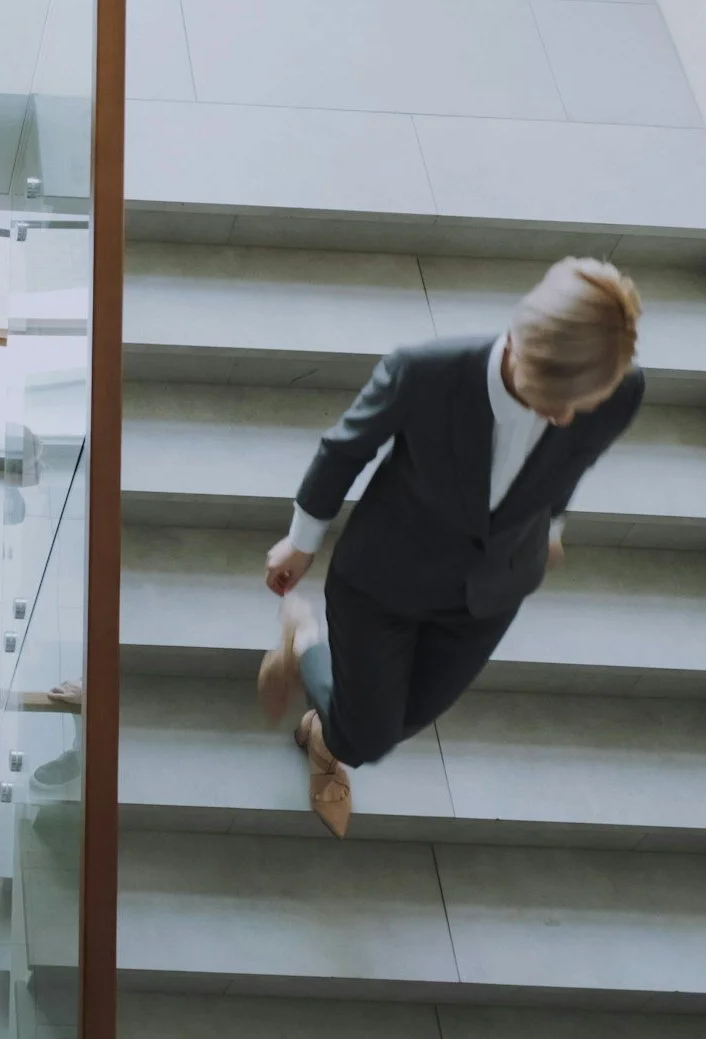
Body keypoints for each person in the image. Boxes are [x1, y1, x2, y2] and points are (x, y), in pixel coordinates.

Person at [259, 258, 646, 837]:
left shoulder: (617, 391)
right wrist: (302, 541)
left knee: (406, 718)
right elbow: (344, 450)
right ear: (519, 346)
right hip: (385, 581)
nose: (566, 418)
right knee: (366, 737)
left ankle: (328, 724)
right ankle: (307, 643)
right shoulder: (425, 374)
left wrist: (550, 530)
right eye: (552, 401)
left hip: (491, 589)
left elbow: (572, 463)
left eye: (581, 405)